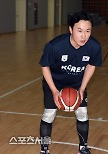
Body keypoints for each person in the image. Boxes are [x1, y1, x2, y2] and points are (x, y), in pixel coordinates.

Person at [39, 11, 102, 154]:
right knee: (49, 114)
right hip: (54, 83)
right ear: (70, 29)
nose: (84, 35)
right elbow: (45, 66)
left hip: (77, 84)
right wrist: (54, 91)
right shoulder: (55, 46)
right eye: (79, 31)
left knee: (82, 113)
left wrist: (82, 88)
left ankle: (83, 147)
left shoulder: (94, 47)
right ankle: (44, 149)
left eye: (88, 31)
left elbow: (91, 66)